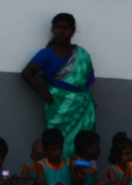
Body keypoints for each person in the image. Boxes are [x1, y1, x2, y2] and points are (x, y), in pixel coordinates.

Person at [21, 13, 96, 155]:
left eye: (66, 28)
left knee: (83, 145)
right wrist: (45, 94)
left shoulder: (82, 54)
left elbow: (87, 80)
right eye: (58, 28)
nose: (61, 32)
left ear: (73, 31)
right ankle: (58, 168)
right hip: (58, 106)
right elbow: (27, 73)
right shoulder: (47, 53)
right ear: (53, 30)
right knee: (57, 143)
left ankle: (80, 169)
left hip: (81, 107)